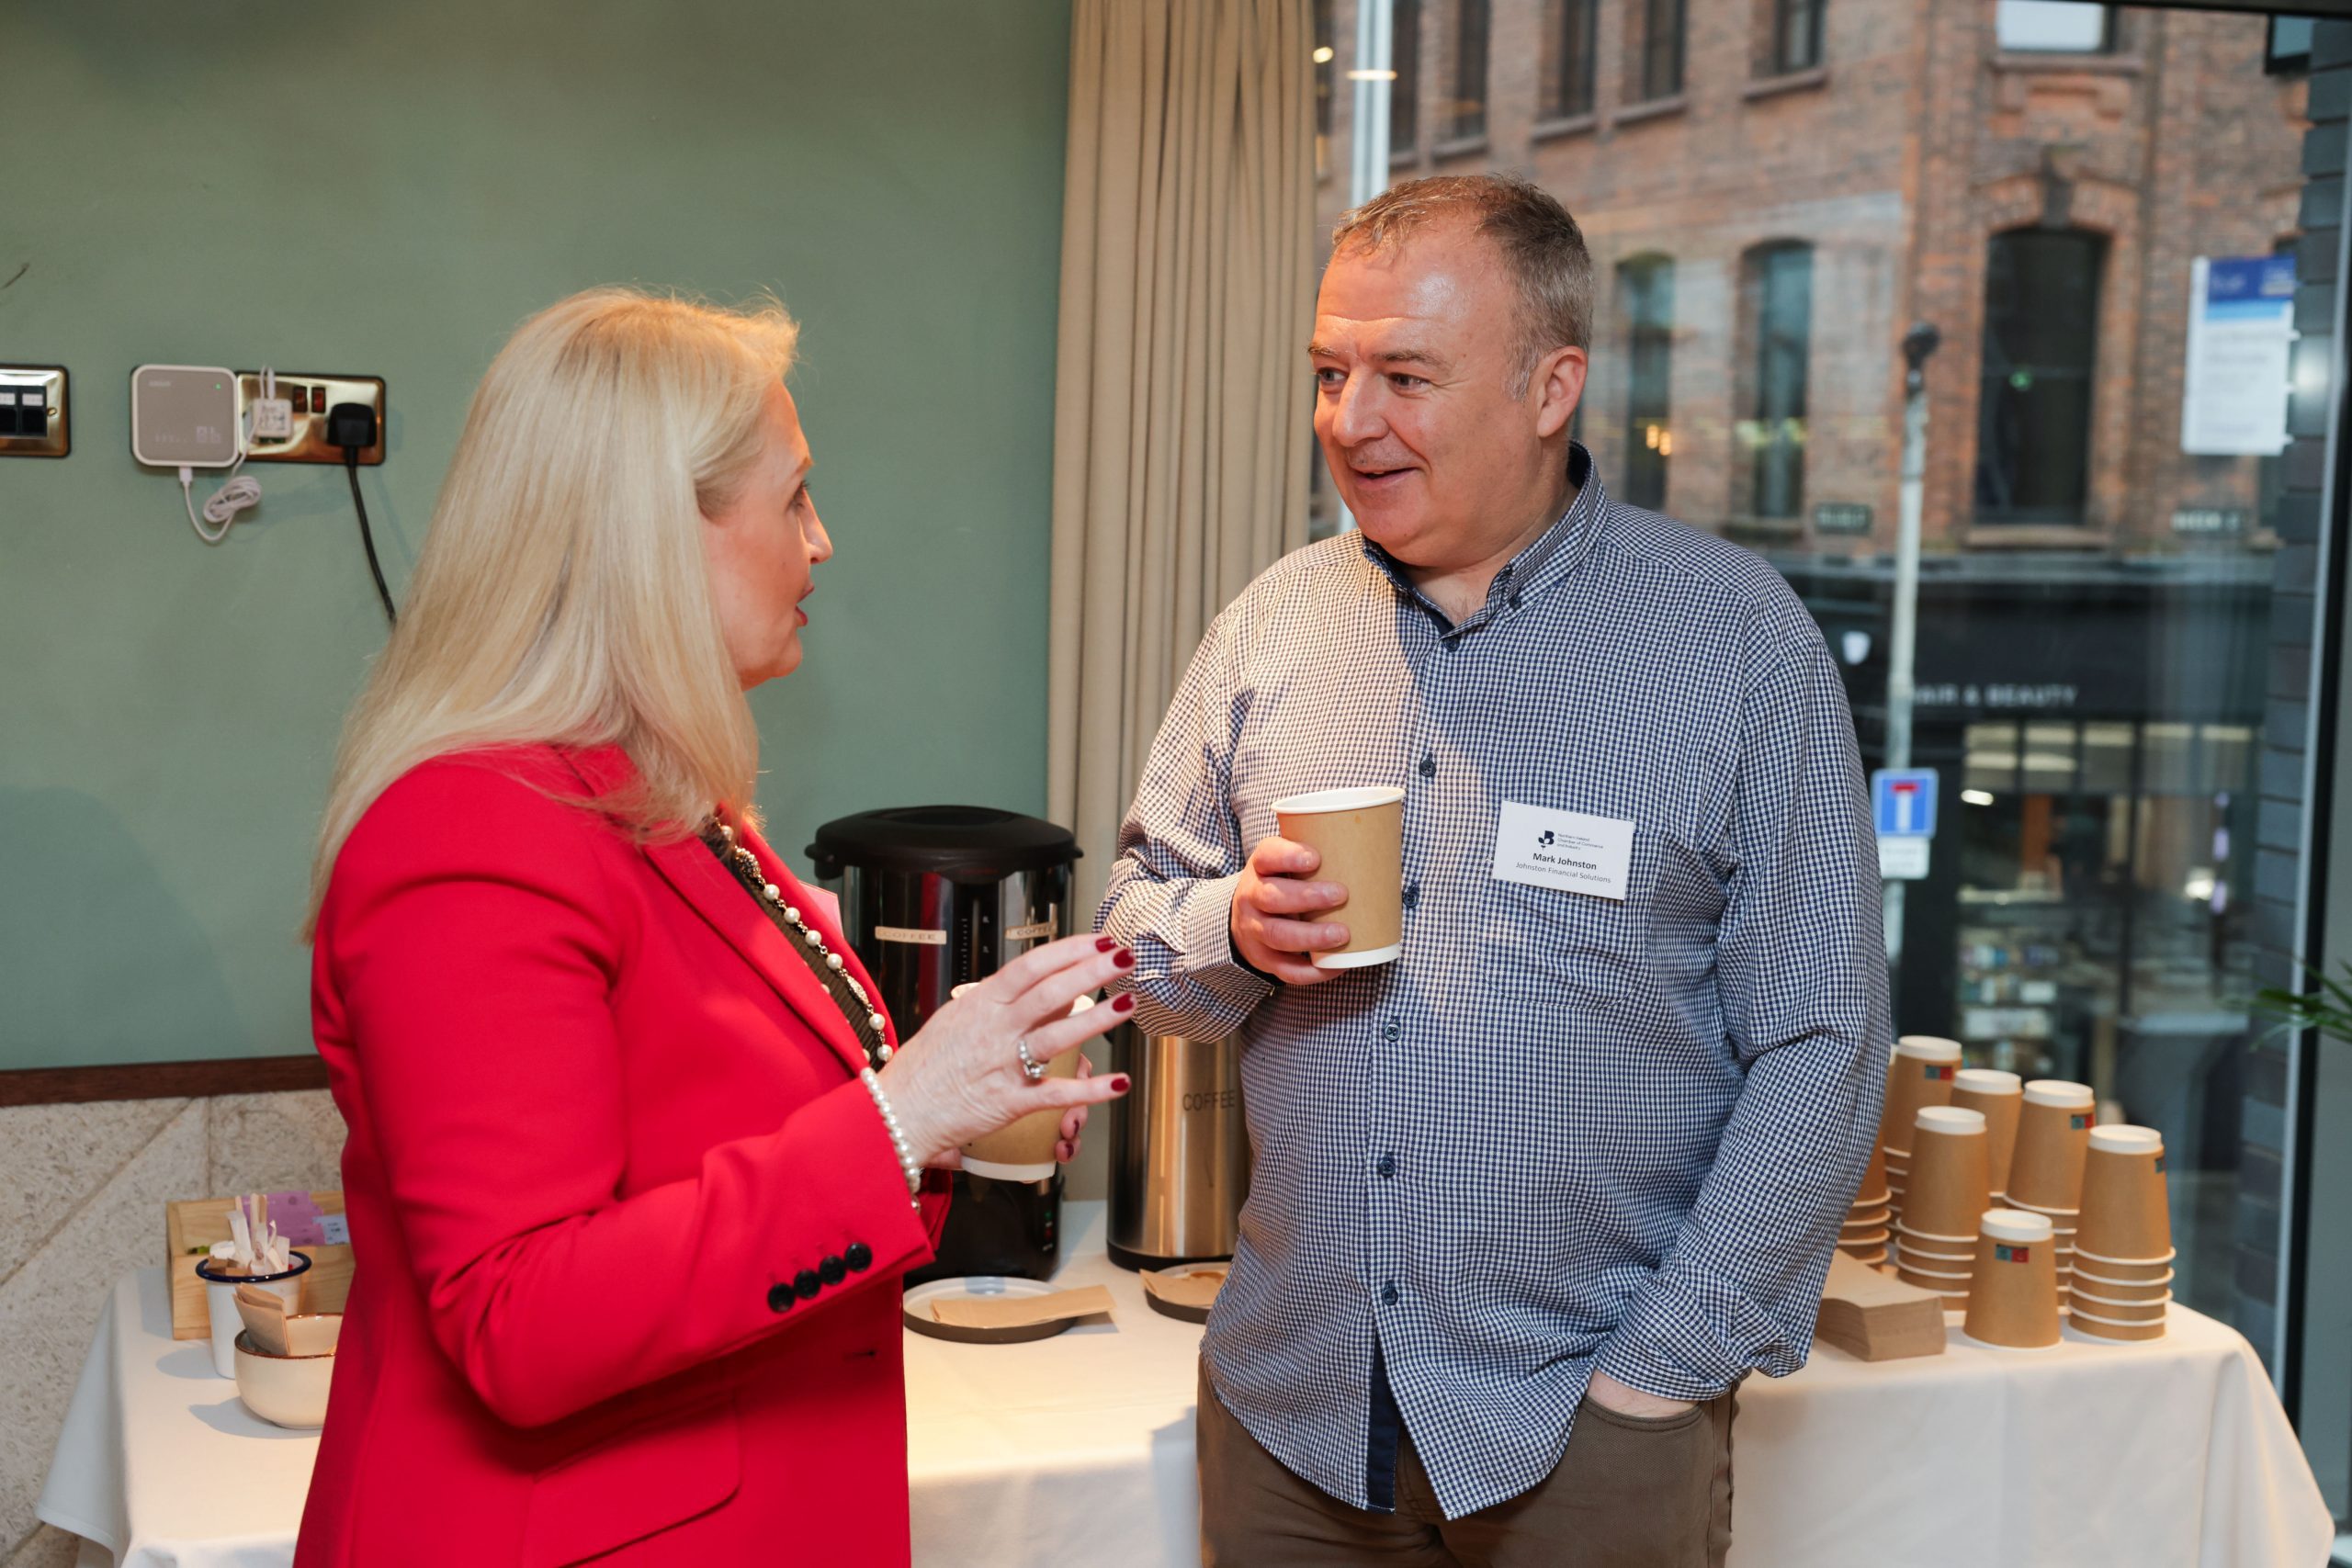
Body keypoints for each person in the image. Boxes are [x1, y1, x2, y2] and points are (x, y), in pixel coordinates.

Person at [1099, 175, 1889, 1567]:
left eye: (1405, 374)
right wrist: (1230, 925)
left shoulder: (1736, 643)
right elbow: (1135, 944)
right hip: (1291, 1417)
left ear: (1550, 388)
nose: (1351, 421)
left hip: (1586, 1432)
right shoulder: (1269, 628)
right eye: (1330, 372)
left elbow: (1824, 1038)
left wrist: (1662, 1374)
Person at [297, 288, 1132, 1567]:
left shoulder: (662, 801)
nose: (823, 541)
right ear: (654, 534)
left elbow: (751, 1149)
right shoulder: (466, 832)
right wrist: (901, 1117)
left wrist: (958, 1111)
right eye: (794, 498)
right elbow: (519, 1317)